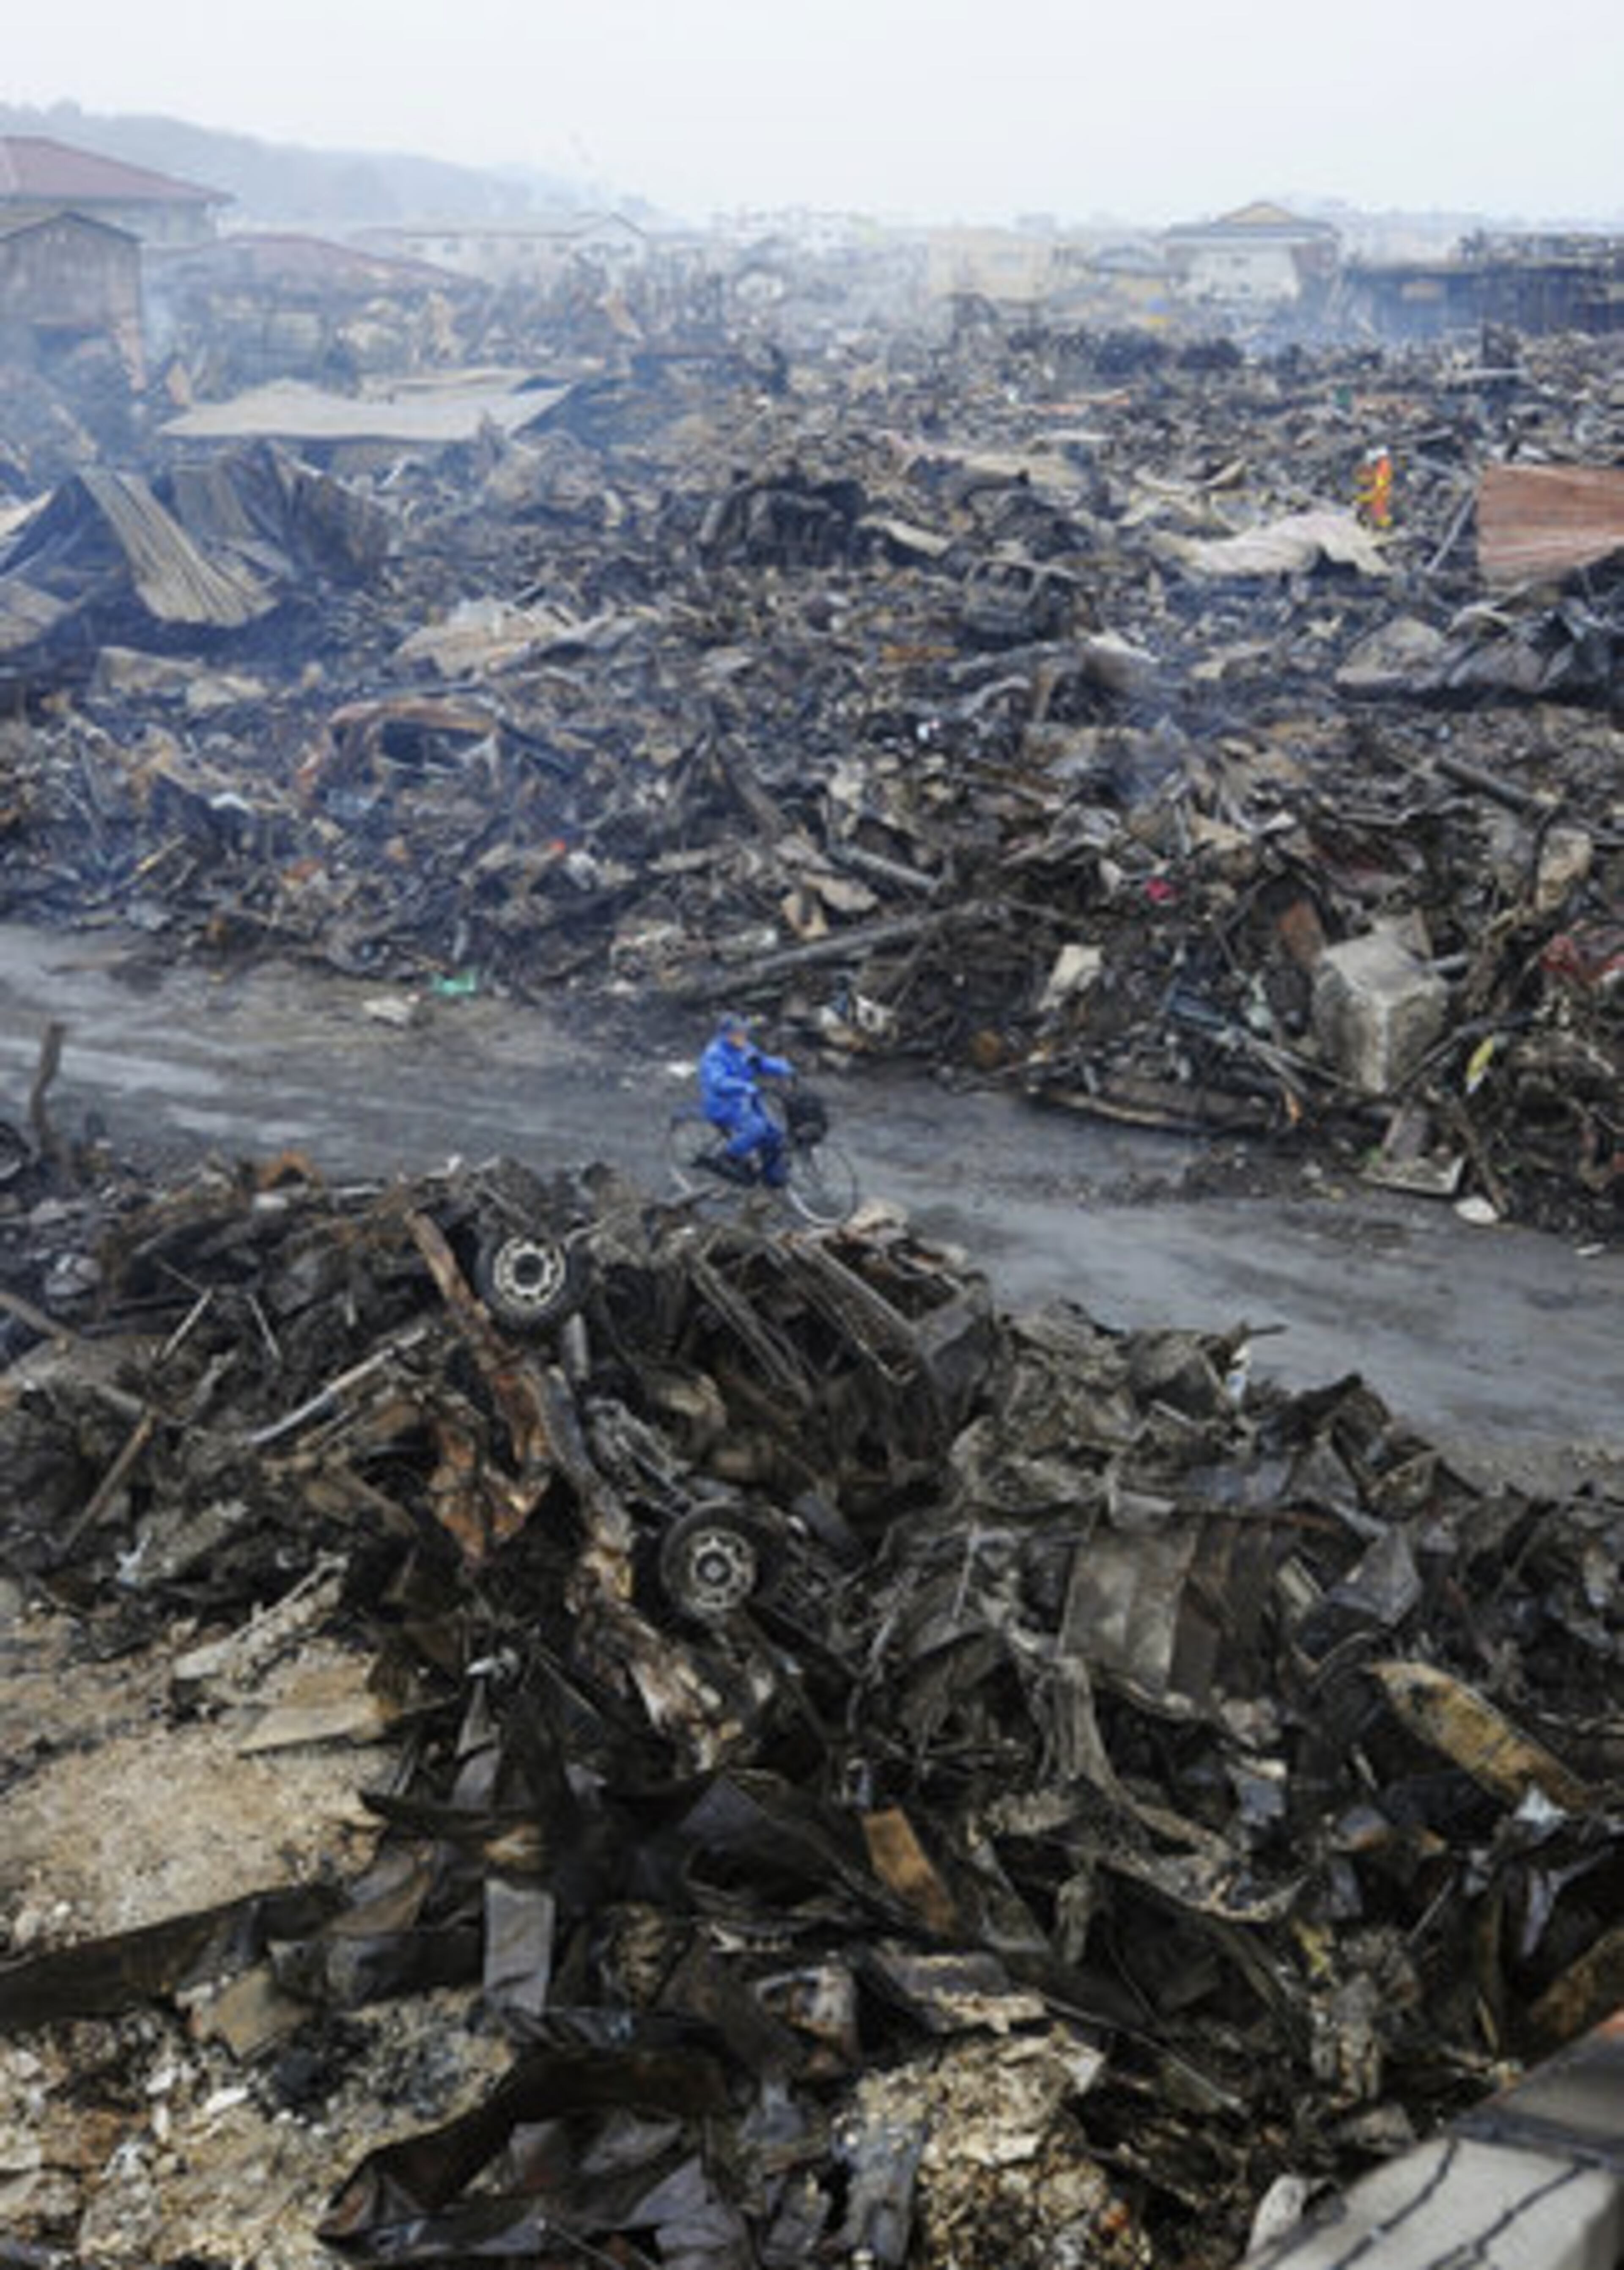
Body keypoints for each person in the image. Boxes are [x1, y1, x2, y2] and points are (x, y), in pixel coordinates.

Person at [699, 1012, 794, 1185]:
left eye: (744, 1033)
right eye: (737, 1034)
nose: (742, 1037)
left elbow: (761, 1063)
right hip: (723, 1104)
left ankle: (770, 1174)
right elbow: (718, 1082)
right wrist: (744, 1087)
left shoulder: (745, 1048)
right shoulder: (714, 1056)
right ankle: (727, 1158)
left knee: (775, 1131)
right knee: (756, 1128)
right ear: (726, 1035)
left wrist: (784, 1068)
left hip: (746, 1100)